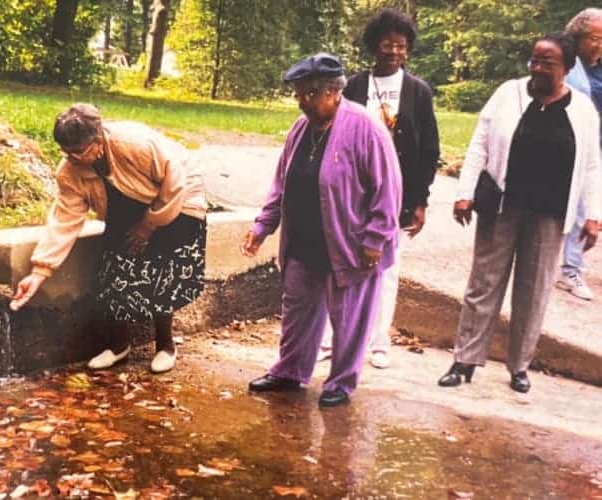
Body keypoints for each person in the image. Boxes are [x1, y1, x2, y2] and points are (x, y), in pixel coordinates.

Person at [439, 33, 601, 393]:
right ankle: (464, 360)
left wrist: (593, 215)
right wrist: (464, 193)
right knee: (483, 285)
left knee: (534, 292)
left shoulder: (583, 110)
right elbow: (480, 142)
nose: (538, 68)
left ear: (567, 68)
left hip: (550, 214)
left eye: (548, 63)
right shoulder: (508, 94)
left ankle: (519, 367)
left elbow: (591, 165)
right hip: (501, 206)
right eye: (535, 60)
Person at [242, 53, 402, 407]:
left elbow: (388, 189)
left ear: (333, 91)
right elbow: (281, 184)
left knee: (349, 318)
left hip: (351, 244)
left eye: (308, 94)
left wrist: (375, 238)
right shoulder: (300, 130)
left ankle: (341, 384)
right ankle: (290, 371)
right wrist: (262, 226)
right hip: (304, 240)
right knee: (297, 310)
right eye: (298, 94)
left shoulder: (366, 129)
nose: (301, 101)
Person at [10, 103, 208, 374]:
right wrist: (40, 271)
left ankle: (165, 345)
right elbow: (64, 220)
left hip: (176, 198)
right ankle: (118, 346)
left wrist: (148, 226)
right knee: (113, 268)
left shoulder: (135, 144)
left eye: (78, 151)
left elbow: (174, 184)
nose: (71, 158)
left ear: (98, 140)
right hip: (129, 204)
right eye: (65, 151)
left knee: (162, 270)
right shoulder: (70, 170)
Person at [317, 8, 440, 369]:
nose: (394, 52)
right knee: (337, 261)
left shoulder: (418, 92)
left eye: (401, 46)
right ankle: (330, 337)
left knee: (386, 267)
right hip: (350, 193)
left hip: (395, 195)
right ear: (374, 46)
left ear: (408, 50)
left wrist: (420, 201)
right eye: (387, 44)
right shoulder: (353, 86)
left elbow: (429, 149)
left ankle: (378, 341)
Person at [556, 8, 602, 301]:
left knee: (587, 208)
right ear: (578, 36)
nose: (599, 45)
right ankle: (570, 268)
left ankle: (570, 266)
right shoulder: (567, 63)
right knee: (579, 207)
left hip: (597, 144)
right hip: (572, 144)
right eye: (595, 38)